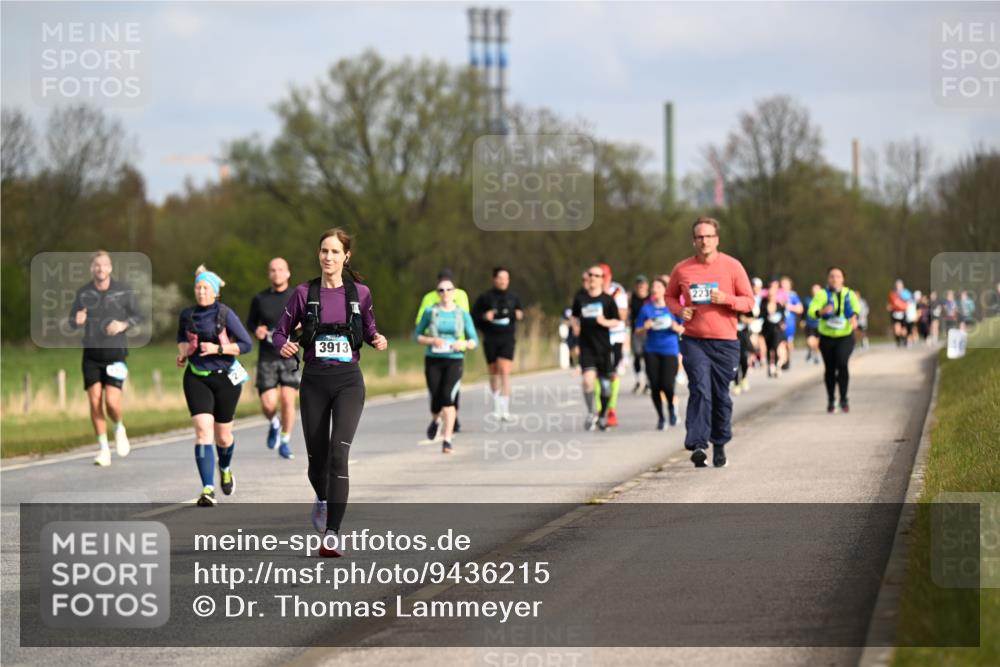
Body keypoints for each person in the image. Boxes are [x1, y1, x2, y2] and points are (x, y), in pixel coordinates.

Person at [274, 228, 388, 557]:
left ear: (346, 256)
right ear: (318, 254)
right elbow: (278, 334)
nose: (329, 257)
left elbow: (368, 329)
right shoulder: (302, 293)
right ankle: (323, 498)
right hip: (314, 382)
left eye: (335, 252)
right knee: (317, 460)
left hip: (348, 381)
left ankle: (332, 533)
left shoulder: (360, 293)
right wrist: (284, 346)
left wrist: (378, 339)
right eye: (324, 251)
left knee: (339, 454)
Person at [665, 217, 754, 468]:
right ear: (694, 241)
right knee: (700, 389)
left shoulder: (732, 266)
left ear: (717, 239)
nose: (704, 241)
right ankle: (698, 444)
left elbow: (749, 301)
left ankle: (720, 443)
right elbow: (669, 296)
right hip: (694, 340)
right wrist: (679, 311)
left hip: (725, 342)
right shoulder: (682, 269)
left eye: (709, 236)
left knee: (720, 396)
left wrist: (727, 298)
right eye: (699, 237)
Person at [175, 266, 254, 506]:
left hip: (226, 378)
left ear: (215, 292)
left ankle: (226, 467)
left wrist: (218, 349)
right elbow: (181, 338)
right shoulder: (187, 315)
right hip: (196, 376)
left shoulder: (225, 314)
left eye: (205, 288)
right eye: (197, 287)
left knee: (223, 436)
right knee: (202, 431)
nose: (200, 292)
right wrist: (183, 354)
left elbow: (246, 344)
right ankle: (207, 489)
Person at [68, 250, 143, 467]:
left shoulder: (122, 291)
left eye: (104, 265)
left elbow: (138, 315)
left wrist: (122, 325)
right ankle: (103, 449)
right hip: (91, 355)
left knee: (111, 402)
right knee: (94, 401)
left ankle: (119, 426)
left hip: (115, 354)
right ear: (92, 268)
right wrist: (77, 320)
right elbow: (72, 321)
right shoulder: (83, 293)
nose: (100, 269)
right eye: (96, 265)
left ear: (110, 268)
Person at [417, 277, 479, 452]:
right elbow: (417, 335)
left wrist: (464, 344)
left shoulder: (462, 314)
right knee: (435, 398)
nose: (445, 293)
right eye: (441, 290)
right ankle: (436, 419)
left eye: (449, 289)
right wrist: (431, 340)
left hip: (454, 359)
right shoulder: (430, 312)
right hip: (433, 359)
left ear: (454, 292)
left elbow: (474, 339)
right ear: (437, 293)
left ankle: (447, 440)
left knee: (448, 397)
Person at [246, 257, 298, 459]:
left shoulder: (296, 296)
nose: (277, 273)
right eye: (273, 270)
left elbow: (309, 321)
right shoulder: (259, 299)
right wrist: (256, 330)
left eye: (281, 269)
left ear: (288, 273)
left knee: (287, 399)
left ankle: (285, 440)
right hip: (267, 357)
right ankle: (275, 423)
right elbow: (251, 323)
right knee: (268, 404)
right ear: (269, 274)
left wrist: (300, 328)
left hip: (290, 355)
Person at [572, 265, 621, 431]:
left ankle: (602, 415)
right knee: (587, 381)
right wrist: (575, 326)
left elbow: (617, 320)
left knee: (606, 387)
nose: (592, 277)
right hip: (586, 347)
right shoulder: (580, 298)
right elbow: (574, 316)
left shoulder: (607, 299)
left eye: (596, 275)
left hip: (604, 348)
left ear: (602, 279)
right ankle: (590, 412)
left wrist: (604, 322)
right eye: (590, 274)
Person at [471, 267, 523, 422]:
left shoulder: (513, 297)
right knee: (494, 371)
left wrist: (519, 315)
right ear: (494, 279)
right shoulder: (485, 297)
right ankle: (496, 406)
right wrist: (484, 317)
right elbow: (474, 317)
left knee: (504, 370)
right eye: (500, 278)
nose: (503, 281)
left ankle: (505, 408)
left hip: (507, 338)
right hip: (490, 337)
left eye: (506, 278)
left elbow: (520, 312)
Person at [807, 266, 861, 414]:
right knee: (830, 369)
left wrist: (854, 317)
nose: (835, 279)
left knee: (842, 364)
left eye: (838, 276)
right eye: (832, 276)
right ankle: (831, 399)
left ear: (843, 279)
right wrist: (821, 311)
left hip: (845, 336)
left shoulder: (849, 294)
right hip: (827, 337)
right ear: (828, 279)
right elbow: (811, 311)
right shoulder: (822, 295)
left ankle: (843, 398)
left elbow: (857, 308)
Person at [635, 278, 684, 429]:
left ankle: (671, 407)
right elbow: (637, 331)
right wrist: (645, 327)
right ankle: (661, 417)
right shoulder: (646, 309)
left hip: (670, 349)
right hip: (651, 350)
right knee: (655, 386)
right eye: (653, 287)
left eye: (658, 286)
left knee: (667, 385)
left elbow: (684, 328)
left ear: (665, 289)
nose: (654, 289)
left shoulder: (673, 308)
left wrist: (677, 327)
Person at [598, 263, 630, 427]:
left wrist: (605, 312)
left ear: (609, 277)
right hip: (596, 338)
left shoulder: (617, 291)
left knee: (612, 374)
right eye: (597, 276)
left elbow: (623, 314)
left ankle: (611, 409)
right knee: (596, 373)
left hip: (614, 338)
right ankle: (598, 409)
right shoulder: (590, 291)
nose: (600, 280)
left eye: (603, 276)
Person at [761, 278, 787, 378]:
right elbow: (761, 315)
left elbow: (783, 316)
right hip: (767, 329)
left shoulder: (779, 304)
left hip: (777, 330)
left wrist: (782, 323)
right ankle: (770, 365)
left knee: (775, 347)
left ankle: (776, 365)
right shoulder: (763, 304)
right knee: (768, 348)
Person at [629, 275, 651, 393]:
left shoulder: (650, 298)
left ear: (647, 286)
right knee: (637, 356)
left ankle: (648, 382)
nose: (640, 287)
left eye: (642, 284)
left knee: (648, 357)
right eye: (638, 285)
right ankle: (638, 380)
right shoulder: (632, 297)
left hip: (649, 332)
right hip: (636, 332)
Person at [779, 276, 803, 370]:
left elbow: (800, 309)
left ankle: (788, 358)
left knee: (788, 342)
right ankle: (782, 360)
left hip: (789, 323)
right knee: (780, 342)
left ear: (790, 285)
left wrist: (789, 307)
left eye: (785, 284)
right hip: (779, 323)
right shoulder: (777, 295)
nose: (783, 286)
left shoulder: (793, 295)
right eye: (782, 284)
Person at [887, 279, 911, 348]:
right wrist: (890, 306)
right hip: (895, 313)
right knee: (897, 328)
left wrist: (905, 306)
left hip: (903, 312)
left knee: (903, 329)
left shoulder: (905, 293)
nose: (899, 287)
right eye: (897, 286)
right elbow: (890, 303)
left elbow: (909, 301)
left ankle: (904, 339)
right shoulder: (892, 294)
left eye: (900, 286)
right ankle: (898, 341)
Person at [804, 283, 822, 365]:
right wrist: (802, 320)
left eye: (816, 290)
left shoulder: (823, 300)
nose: (815, 292)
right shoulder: (807, 300)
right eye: (813, 290)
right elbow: (803, 311)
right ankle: (811, 350)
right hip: (809, 324)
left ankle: (815, 355)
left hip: (820, 325)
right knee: (810, 341)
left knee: (817, 343)